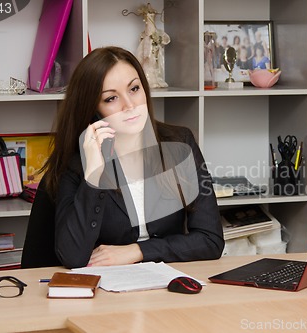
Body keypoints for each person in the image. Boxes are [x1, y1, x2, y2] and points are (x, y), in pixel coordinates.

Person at [40, 46, 224, 269]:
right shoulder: (76, 163)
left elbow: (210, 240)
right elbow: (72, 257)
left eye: (134, 89)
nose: (130, 105)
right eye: (111, 98)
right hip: (106, 293)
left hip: (167, 285)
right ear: (93, 109)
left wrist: (137, 251)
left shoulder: (180, 142)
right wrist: (94, 175)